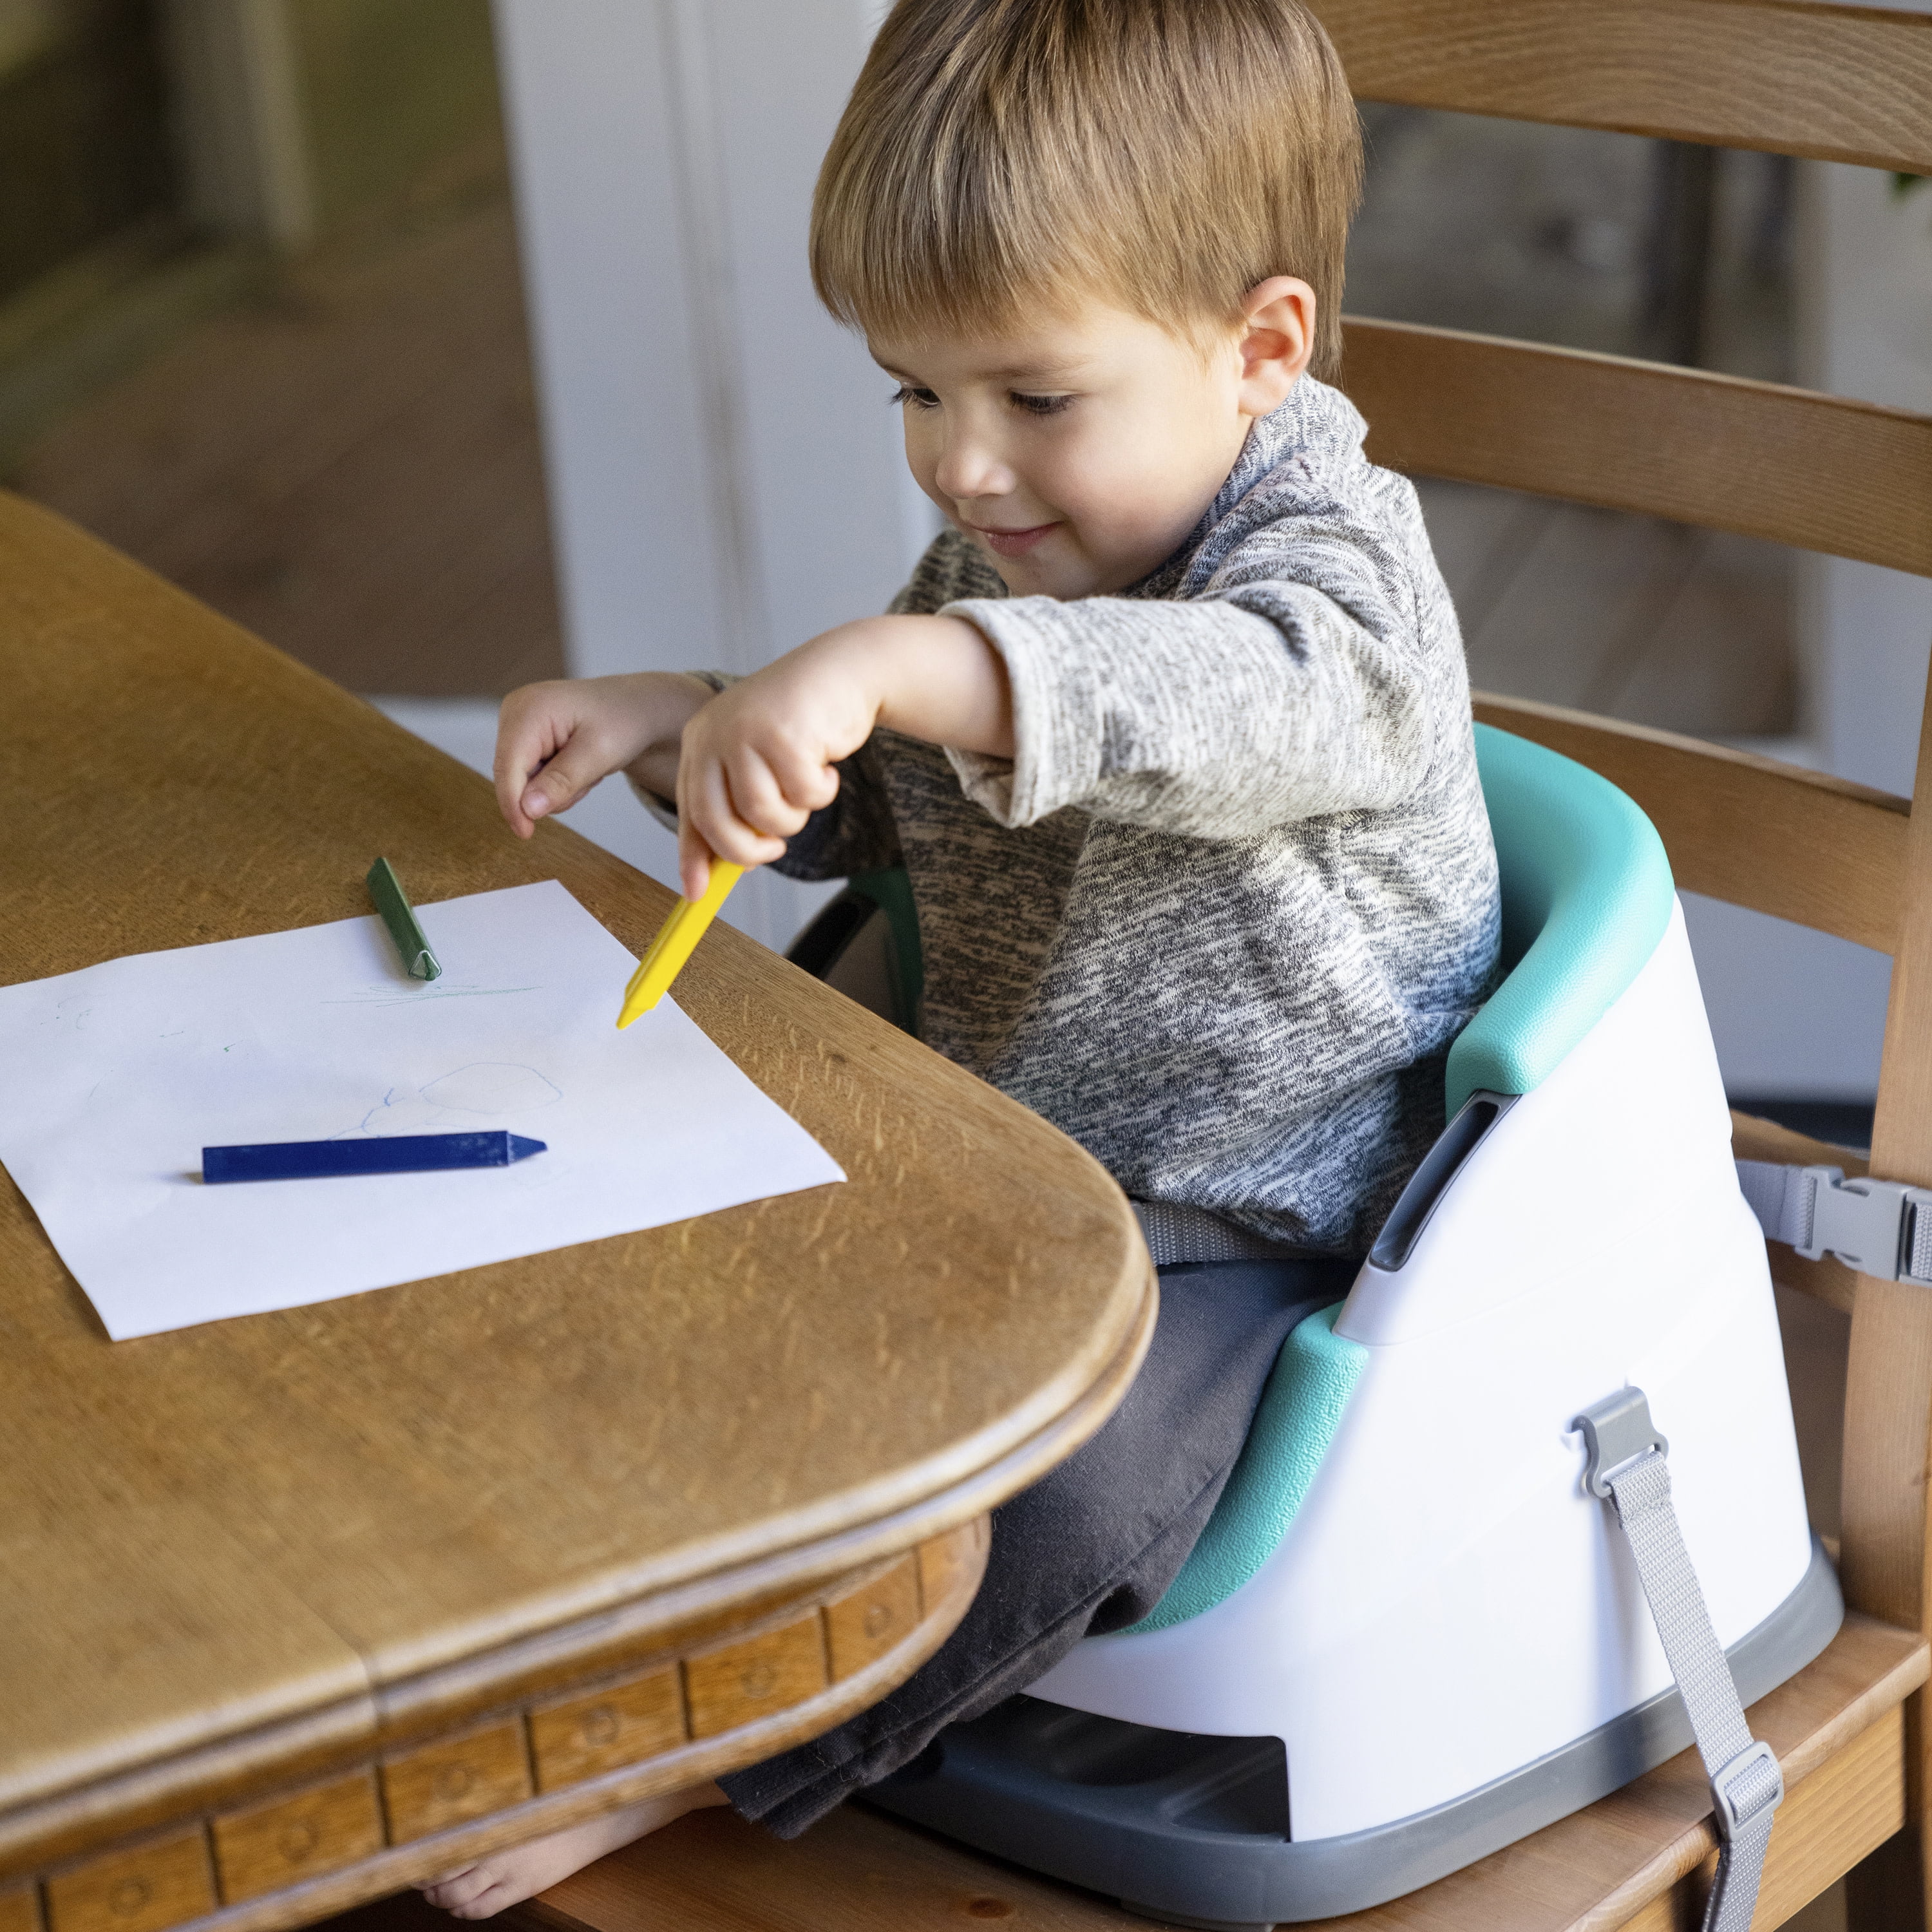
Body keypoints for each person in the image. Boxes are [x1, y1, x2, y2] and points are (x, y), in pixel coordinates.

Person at [422, 0, 1499, 1914]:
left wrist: (910, 662)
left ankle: (713, 1753)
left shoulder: (1342, 583)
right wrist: (694, 724)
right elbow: (897, 799)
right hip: (1000, 1144)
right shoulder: (1027, 549)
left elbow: (1224, 698)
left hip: (1250, 1220)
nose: (963, 465)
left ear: (1261, 350)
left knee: (1052, 1497)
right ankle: (577, 1599)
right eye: (913, 394)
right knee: (699, 1284)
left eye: (1032, 398)